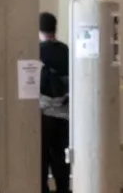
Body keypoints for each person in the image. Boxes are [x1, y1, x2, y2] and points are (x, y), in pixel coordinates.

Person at [38, 13, 71, 193]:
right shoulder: (65, 51)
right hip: (64, 113)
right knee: (61, 159)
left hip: (44, 113)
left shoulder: (37, 51)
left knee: (42, 159)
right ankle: (63, 189)